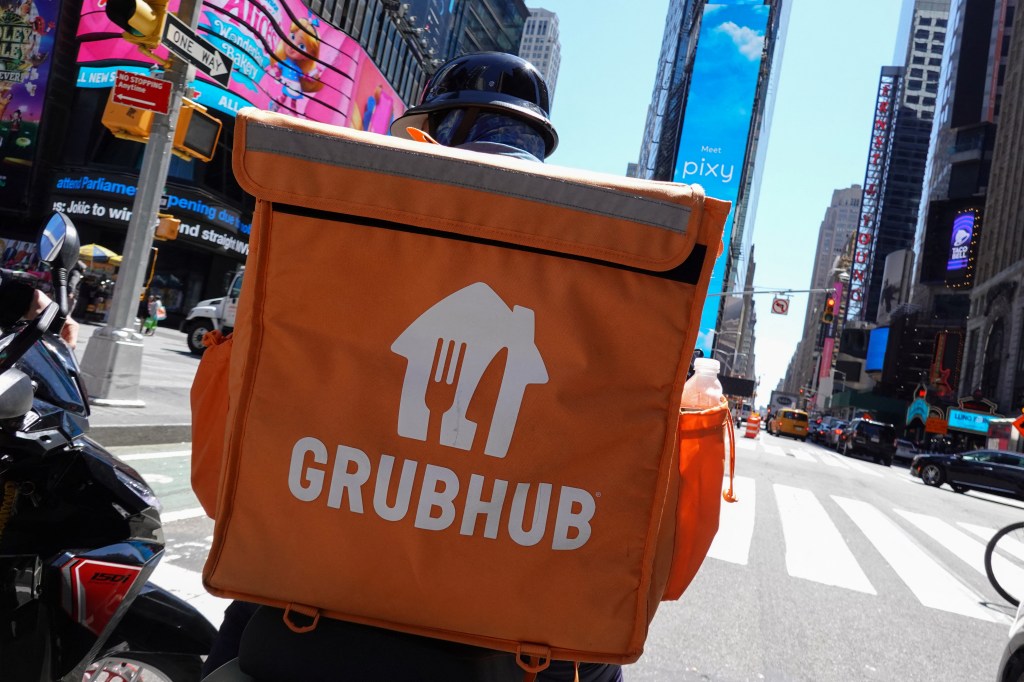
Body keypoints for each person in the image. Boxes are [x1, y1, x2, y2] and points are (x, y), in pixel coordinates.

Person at [201, 53, 619, 682]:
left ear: (430, 132)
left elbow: (220, 487)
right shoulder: (606, 280)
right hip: (523, 650)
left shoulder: (347, 243)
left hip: (306, 621)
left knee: (250, 613)